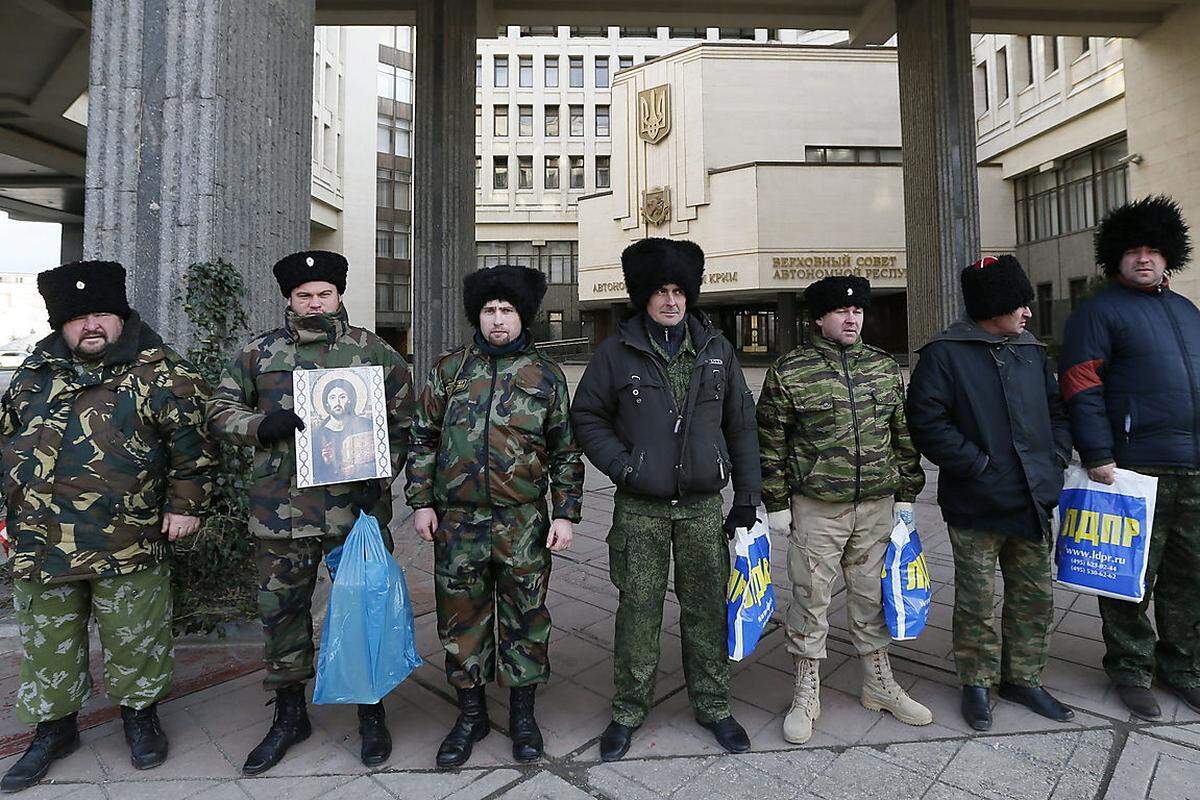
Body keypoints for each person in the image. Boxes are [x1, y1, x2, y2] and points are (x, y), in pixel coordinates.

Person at [0, 261, 216, 792]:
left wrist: (186, 506)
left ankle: (139, 718)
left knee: (134, 637)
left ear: (119, 317)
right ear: (60, 324)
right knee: (49, 641)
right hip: (39, 540)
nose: (90, 325)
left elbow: (195, 448)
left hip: (127, 538)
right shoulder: (33, 373)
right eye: (77, 318)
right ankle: (55, 730)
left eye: (101, 313)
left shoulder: (162, 373)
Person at [208, 250, 414, 774]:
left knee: (365, 607)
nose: (314, 303)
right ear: (288, 298)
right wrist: (260, 426)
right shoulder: (259, 353)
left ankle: (371, 709)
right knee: (282, 614)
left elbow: (408, 420)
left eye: (324, 294)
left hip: (354, 513)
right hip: (280, 512)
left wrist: (381, 472)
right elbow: (218, 410)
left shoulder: (371, 352)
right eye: (304, 296)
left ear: (339, 295)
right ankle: (289, 713)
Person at [571, 238, 762, 761]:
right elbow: (587, 416)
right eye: (660, 292)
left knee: (707, 610)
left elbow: (741, 426)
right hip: (641, 510)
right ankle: (629, 709)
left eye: (679, 291)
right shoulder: (617, 351)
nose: (671, 302)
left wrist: (746, 498)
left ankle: (715, 704)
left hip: (702, 508)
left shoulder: (717, 350)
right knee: (638, 611)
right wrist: (624, 465)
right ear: (643, 297)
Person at [407, 264, 583, 768]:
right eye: (489, 310)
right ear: (477, 316)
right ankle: (470, 713)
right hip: (458, 522)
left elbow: (565, 450)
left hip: (522, 520)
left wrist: (565, 514)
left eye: (507, 310)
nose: (498, 320)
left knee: (525, 616)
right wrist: (420, 502)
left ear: (522, 315)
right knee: (461, 617)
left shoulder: (545, 376)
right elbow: (423, 436)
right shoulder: (449, 371)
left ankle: (523, 714)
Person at [756, 275, 931, 745]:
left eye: (857, 312)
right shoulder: (789, 371)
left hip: (875, 504)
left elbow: (902, 433)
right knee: (811, 597)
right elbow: (770, 442)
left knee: (871, 599)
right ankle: (805, 692)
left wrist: (907, 494)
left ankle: (878, 683)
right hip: (818, 507)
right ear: (819, 318)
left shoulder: (883, 367)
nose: (852, 318)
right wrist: (775, 503)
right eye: (840, 312)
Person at [906, 255, 1074, 731]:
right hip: (976, 502)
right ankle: (976, 681)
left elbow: (1057, 411)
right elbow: (927, 421)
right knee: (977, 599)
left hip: (1032, 498)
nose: (1027, 313)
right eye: (1018, 304)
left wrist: (1055, 459)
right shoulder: (944, 354)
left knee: (1033, 596)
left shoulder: (1030, 351)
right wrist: (977, 465)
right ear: (993, 305)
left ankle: (1024, 677)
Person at [1059, 195, 1200, 720]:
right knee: (1129, 575)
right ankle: (1132, 668)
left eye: (1154, 250)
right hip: (1132, 466)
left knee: (1191, 576)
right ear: (1116, 257)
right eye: (1134, 251)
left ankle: (1183, 666)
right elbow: (1080, 385)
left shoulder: (1187, 312)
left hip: (1193, 465)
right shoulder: (1097, 312)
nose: (1145, 259)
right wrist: (1097, 451)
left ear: (1170, 256)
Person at [311, 378, 375, 484]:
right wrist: (327, 462)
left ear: (350, 400)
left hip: (363, 487)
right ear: (326, 402)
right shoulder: (318, 434)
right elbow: (316, 471)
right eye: (332, 398)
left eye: (342, 397)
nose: (337, 402)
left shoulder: (366, 424)